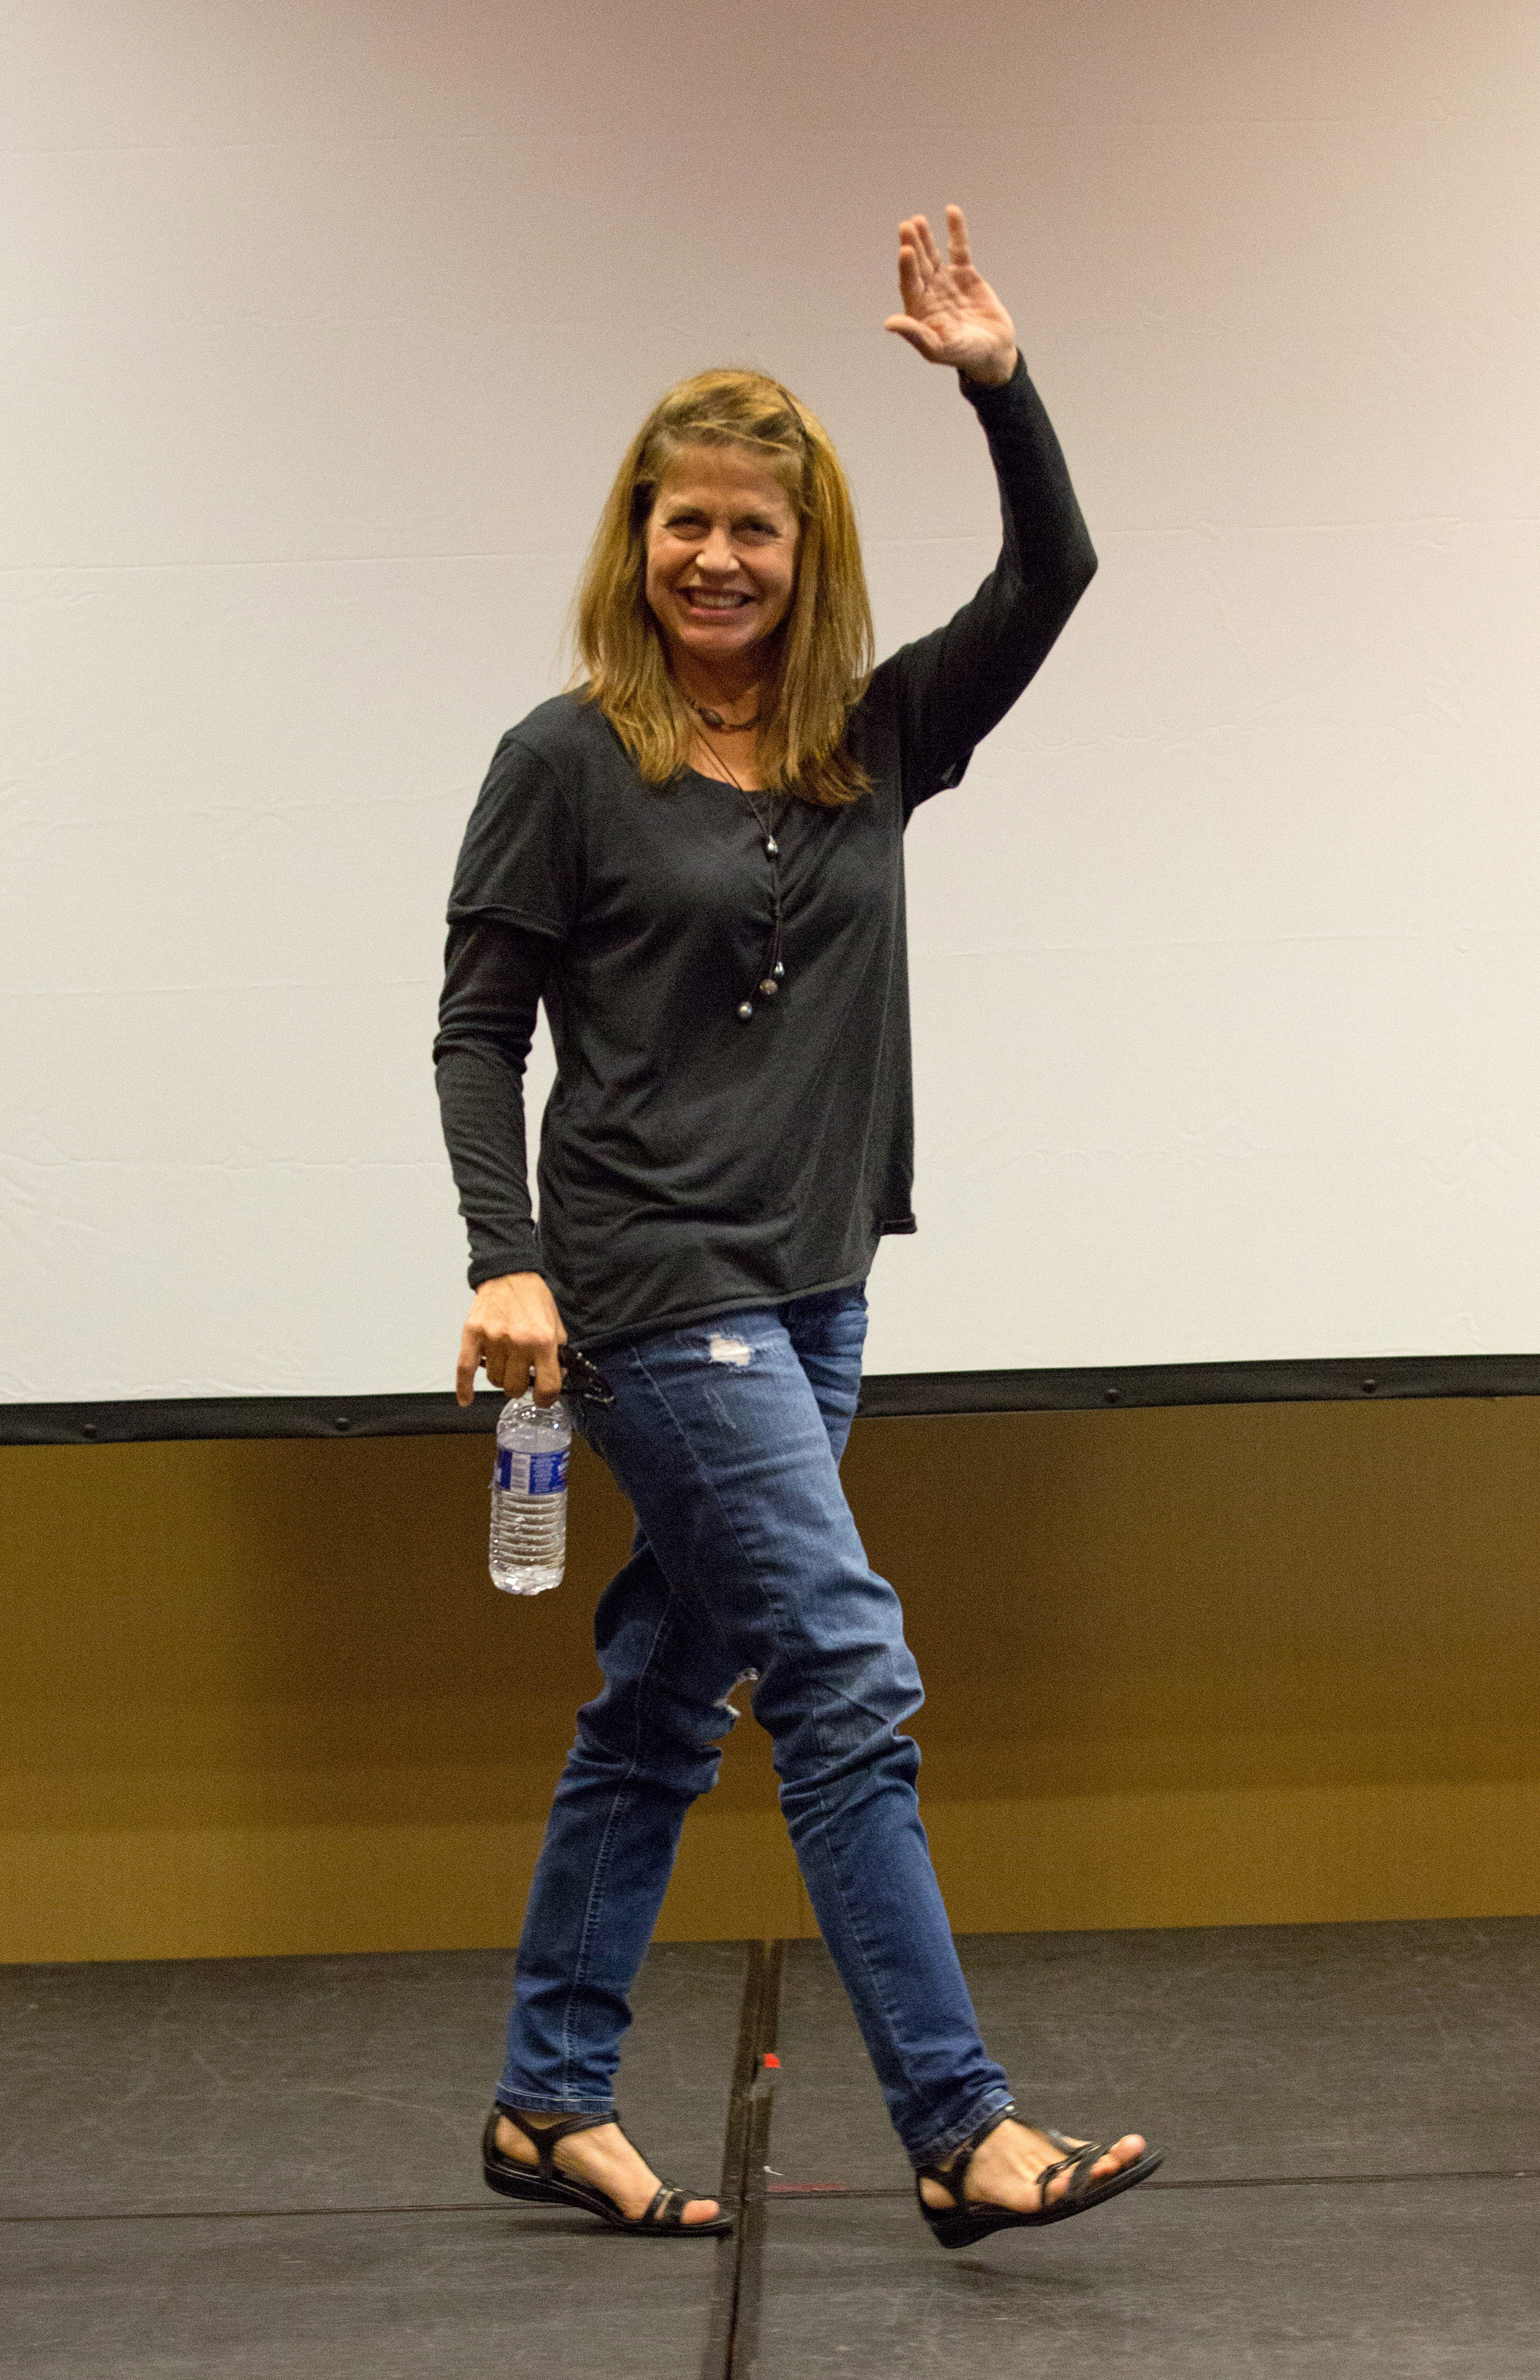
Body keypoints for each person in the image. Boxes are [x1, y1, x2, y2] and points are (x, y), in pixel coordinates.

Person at [434, 206, 1160, 2245]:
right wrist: (508, 1256)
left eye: (757, 527)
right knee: (841, 1667)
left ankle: (542, 2099)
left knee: (670, 1698)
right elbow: (478, 1033)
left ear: (804, 544)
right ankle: (961, 2126)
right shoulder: (562, 762)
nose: (721, 560)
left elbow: (1058, 574)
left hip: (821, 1291)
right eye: (687, 524)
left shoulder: (874, 738)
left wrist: (1002, 389)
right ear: (637, 539)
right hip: (659, 1291)